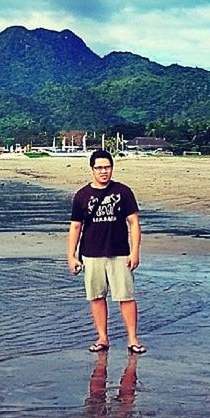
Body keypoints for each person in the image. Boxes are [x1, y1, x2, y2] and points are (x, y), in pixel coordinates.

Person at [68, 149, 146, 354]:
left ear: (112, 168)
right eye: (99, 168)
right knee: (96, 296)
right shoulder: (82, 196)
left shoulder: (123, 192)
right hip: (91, 253)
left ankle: (132, 339)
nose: (104, 172)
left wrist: (135, 251)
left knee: (126, 297)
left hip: (120, 252)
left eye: (107, 167)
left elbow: (134, 223)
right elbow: (75, 226)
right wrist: (71, 256)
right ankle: (102, 338)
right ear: (92, 170)